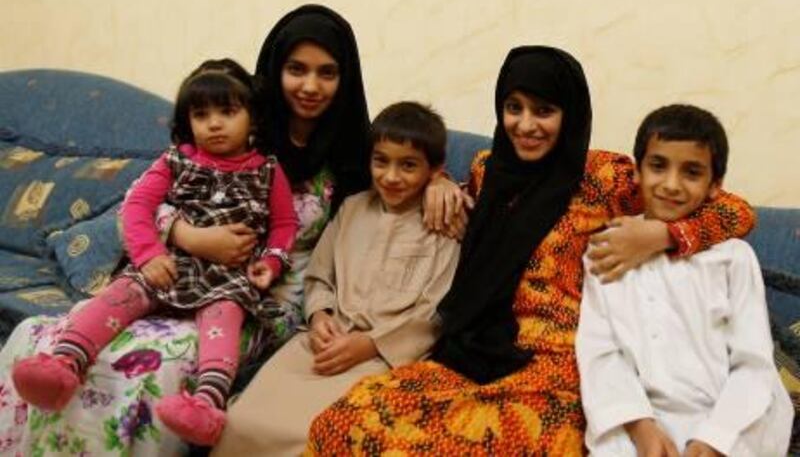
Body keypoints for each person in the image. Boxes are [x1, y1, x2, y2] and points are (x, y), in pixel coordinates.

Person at [306, 46, 756, 455]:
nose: (525, 125)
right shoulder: (487, 170)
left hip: (559, 367)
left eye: (544, 111)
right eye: (513, 108)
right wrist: (437, 183)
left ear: (570, 114)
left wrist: (660, 236)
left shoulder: (603, 177)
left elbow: (735, 210)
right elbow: (462, 211)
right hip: (470, 349)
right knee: (343, 422)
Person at [11, 58, 298, 447]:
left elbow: (284, 225)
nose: (214, 123)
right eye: (201, 114)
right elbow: (136, 207)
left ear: (252, 119)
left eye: (227, 112)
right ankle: (63, 362)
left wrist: (270, 261)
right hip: (166, 265)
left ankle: (206, 402)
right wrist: (147, 256)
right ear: (187, 122)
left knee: (225, 319)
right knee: (118, 296)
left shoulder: (268, 170)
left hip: (227, 276)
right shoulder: (174, 161)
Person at [211, 101, 461, 455]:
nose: (390, 176)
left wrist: (371, 345)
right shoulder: (353, 207)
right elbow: (318, 277)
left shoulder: (443, 222)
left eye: (408, 165)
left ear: (435, 170)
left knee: (320, 433)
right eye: (381, 161)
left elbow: (435, 313)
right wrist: (319, 316)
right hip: (320, 343)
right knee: (240, 422)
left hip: (384, 360)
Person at [576, 104, 792, 456]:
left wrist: (713, 440)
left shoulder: (732, 257)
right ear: (637, 172)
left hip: (730, 418)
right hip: (636, 421)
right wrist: (641, 427)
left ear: (714, 186)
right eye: (658, 166)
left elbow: (752, 363)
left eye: (691, 172)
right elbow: (602, 354)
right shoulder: (606, 249)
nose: (671, 185)